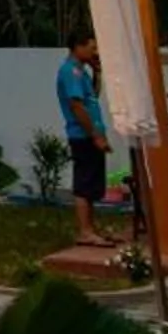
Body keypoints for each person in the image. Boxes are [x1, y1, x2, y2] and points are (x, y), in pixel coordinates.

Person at [57, 32, 115, 247]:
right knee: (84, 183)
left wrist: (97, 73)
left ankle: (91, 228)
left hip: (90, 133)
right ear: (77, 47)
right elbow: (77, 106)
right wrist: (95, 135)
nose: (95, 52)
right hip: (83, 135)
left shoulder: (82, 72)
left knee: (92, 184)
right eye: (91, 48)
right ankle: (84, 231)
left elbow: (91, 97)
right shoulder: (70, 72)